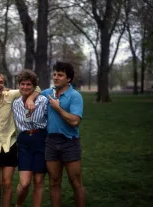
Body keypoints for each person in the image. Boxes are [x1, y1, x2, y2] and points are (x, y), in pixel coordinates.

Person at [0, 72, 40, 207]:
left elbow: (37, 88)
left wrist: (31, 99)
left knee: (8, 184)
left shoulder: (10, 95)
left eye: (1, 82)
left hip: (10, 144)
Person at [41, 61, 85, 207]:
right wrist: (29, 97)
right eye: (54, 74)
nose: (56, 77)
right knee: (54, 182)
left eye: (60, 75)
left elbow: (75, 121)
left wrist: (58, 108)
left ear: (69, 79)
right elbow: (34, 92)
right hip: (51, 142)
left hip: (70, 142)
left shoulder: (75, 96)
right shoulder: (48, 93)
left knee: (76, 183)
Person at [12, 69, 48, 207]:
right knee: (25, 183)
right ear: (19, 85)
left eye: (28, 84)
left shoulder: (43, 101)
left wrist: (33, 98)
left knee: (38, 181)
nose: (25, 87)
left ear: (33, 87)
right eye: (22, 84)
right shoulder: (15, 103)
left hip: (40, 139)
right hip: (24, 141)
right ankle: (18, 204)